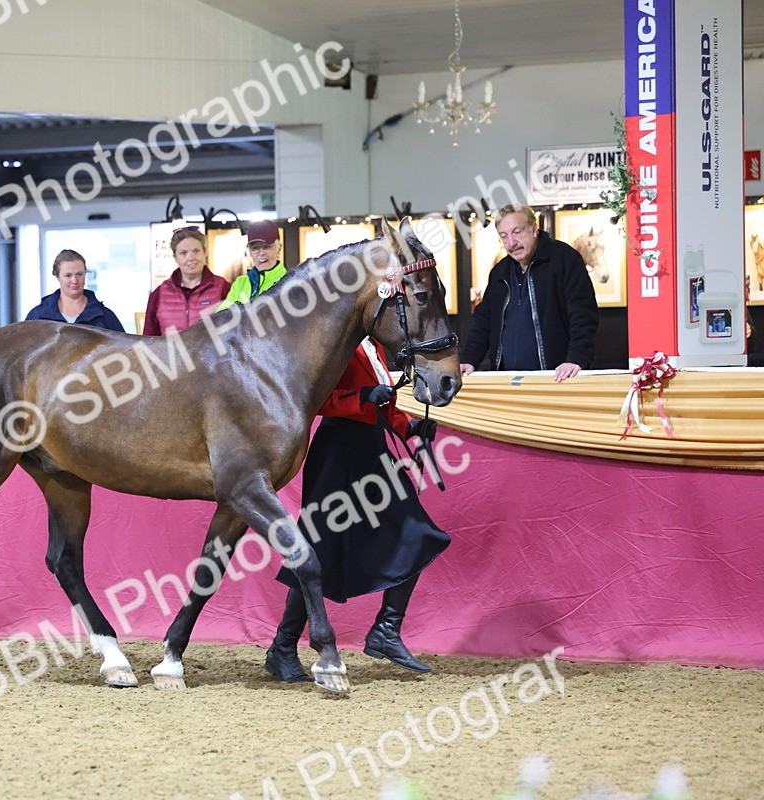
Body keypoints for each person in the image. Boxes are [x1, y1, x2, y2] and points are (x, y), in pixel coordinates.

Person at [264, 338, 450, 683]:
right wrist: (362, 397)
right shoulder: (335, 342)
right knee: (319, 551)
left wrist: (409, 426)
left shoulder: (374, 345)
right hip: (338, 452)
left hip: (372, 449)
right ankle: (283, 648)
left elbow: (385, 401)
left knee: (416, 532)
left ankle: (386, 630)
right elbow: (315, 398)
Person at [459, 204, 599, 382]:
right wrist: (469, 359)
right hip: (508, 381)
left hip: (557, 378)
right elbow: (483, 323)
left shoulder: (564, 259)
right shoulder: (499, 272)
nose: (511, 243)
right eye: (504, 236)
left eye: (517, 232)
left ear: (534, 229)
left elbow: (583, 315)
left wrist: (576, 359)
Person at [143, 228, 230, 335]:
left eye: (196, 251)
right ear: (175, 257)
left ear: (205, 253)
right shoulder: (159, 294)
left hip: (212, 352)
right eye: (183, 253)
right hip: (170, 352)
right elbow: (149, 339)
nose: (191, 258)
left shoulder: (223, 288)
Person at [25, 249, 125, 331]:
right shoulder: (37, 317)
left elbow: (125, 351)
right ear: (57, 276)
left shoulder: (105, 317)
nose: (75, 280)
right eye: (68, 275)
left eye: (79, 274)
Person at [218, 220, 286, 310]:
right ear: (249, 251)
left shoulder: (287, 282)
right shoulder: (240, 283)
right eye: (255, 248)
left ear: (279, 248)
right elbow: (221, 317)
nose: (261, 253)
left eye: (266, 247)